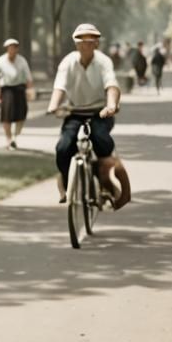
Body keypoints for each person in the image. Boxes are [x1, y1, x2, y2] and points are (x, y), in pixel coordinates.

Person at [46, 22, 129, 207]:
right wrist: (53, 106)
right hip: (75, 111)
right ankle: (69, 184)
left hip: (100, 111)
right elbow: (59, 87)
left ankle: (105, 182)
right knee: (63, 147)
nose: (87, 45)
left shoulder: (103, 62)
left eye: (91, 41)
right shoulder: (68, 62)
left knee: (101, 140)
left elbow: (112, 86)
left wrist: (111, 105)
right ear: (76, 44)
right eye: (82, 41)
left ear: (97, 44)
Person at [0, 38, 35, 149]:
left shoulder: (22, 61)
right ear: (7, 49)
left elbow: (28, 78)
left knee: (21, 115)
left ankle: (15, 137)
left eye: (14, 47)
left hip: (19, 88)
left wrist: (30, 91)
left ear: (17, 49)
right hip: (7, 90)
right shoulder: (0, 61)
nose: (12, 49)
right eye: (10, 47)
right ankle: (8, 139)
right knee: (7, 116)